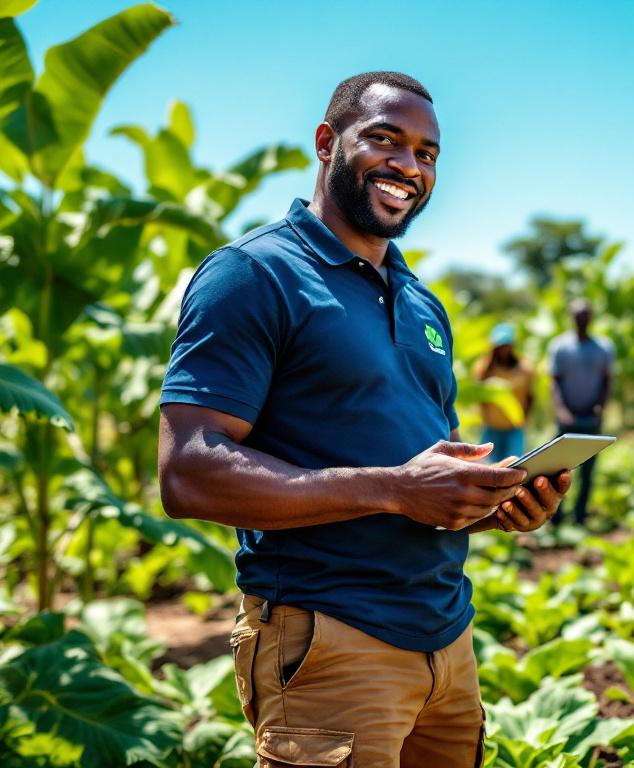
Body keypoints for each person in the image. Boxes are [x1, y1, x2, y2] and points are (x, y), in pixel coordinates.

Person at [157, 72, 570, 768]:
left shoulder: (421, 303)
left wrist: (495, 503)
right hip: (330, 639)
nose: (409, 165)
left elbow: (421, 471)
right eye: (385, 140)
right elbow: (190, 470)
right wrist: (392, 488)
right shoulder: (254, 275)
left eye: (427, 153)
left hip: (448, 641)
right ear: (327, 142)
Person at [547, 298, 615, 524]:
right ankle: (556, 516)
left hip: (591, 417)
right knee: (560, 469)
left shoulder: (603, 347)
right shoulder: (560, 346)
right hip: (568, 417)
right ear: (572, 318)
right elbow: (556, 382)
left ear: (591, 318)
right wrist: (562, 410)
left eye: (585, 316)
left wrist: (600, 409)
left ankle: (580, 516)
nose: (581, 320)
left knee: (588, 471)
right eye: (577, 316)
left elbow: (607, 381)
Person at [473, 322, 534, 463]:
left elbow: (530, 396)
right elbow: (479, 395)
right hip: (491, 427)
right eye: (500, 346)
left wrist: (525, 419)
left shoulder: (524, 368)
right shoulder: (484, 369)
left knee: (513, 464)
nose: (503, 349)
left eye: (506, 345)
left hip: (514, 428)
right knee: (488, 465)